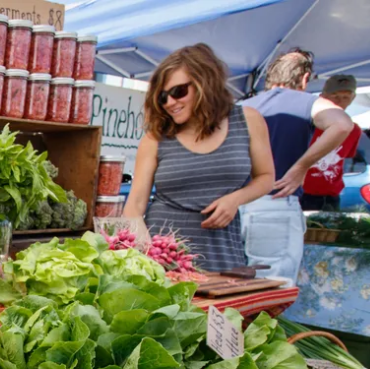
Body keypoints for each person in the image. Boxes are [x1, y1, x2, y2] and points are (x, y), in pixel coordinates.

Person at [123, 44, 275, 271]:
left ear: (205, 83)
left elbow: (266, 177)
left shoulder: (248, 120)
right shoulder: (156, 137)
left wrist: (235, 199)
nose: (170, 103)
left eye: (178, 92)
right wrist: (148, 258)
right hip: (165, 255)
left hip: (222, 249)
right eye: (163, 97)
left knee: (224, 305)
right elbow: (134, 207)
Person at [239, 49, 354, 284]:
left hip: (234, 207)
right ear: (304, 78)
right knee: (272, 290)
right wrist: (301, 166)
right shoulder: (308, 102)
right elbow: (342, 124)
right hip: (275, 203)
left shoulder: (242, 105)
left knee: (231, 287)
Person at [301, 74, 363, 211]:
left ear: (352, 99)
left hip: (331, 195)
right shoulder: (306, 124)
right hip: (301, 193)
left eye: (346, 97)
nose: (340, 101)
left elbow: (344, 158)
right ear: (323, 97)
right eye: (335, 96)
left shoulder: (353, 130)